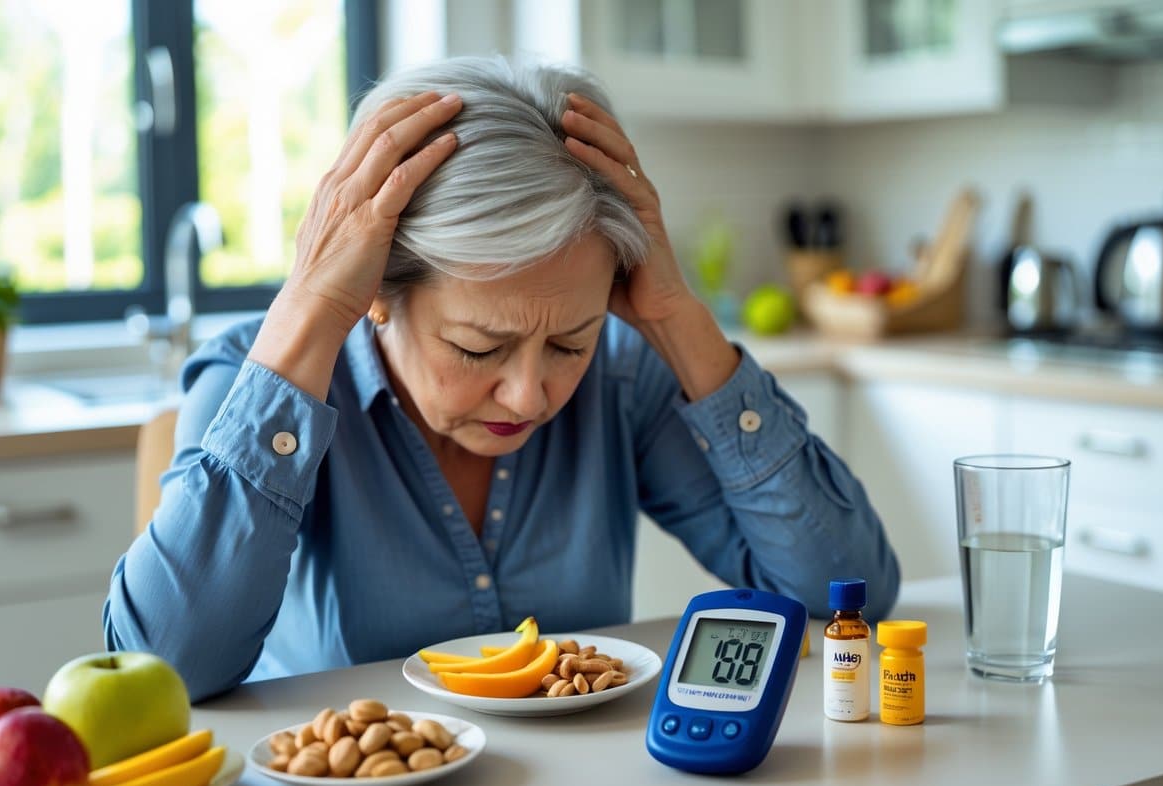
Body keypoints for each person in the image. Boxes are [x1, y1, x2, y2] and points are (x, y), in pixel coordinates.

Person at [104, 56, 899, 701]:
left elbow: (840, 597)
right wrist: (310, 306)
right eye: (479, 349)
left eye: (569, 342)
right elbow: (165, 671)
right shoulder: (261, 379)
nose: (529, 395)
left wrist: (676, 317)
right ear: (378, 292)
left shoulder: (625, 376)